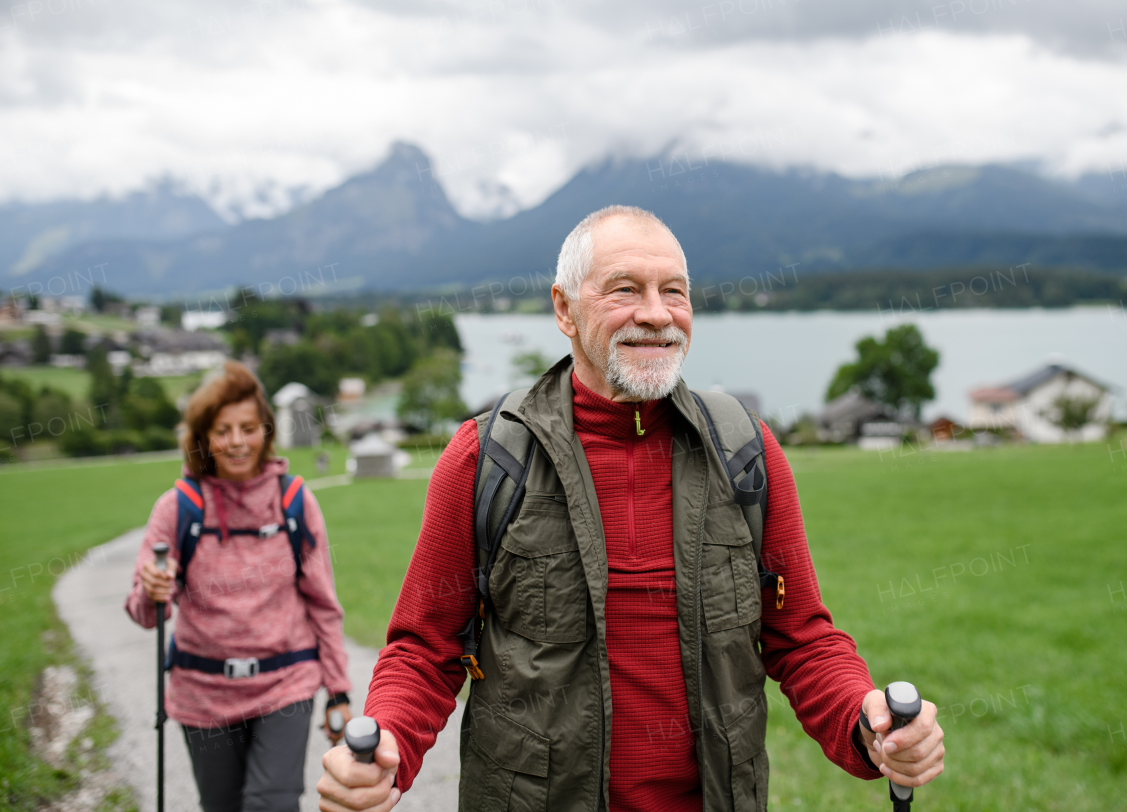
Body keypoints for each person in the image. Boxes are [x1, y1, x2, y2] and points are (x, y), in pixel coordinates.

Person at [318, 206, 945, 812]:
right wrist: (389, 744)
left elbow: (801, 637)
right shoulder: (487, 458)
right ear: (563, 307)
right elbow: (425, 648)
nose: (655, 314)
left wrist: (868, 724)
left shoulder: (747, 451)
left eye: (673, 291)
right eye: (624, 290)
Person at [126, 360, 352, 812]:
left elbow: (323, 604)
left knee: (273, 804)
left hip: (285, 684)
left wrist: (339, 691)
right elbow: (145, 613)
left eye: (247, 428)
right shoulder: (177, 509)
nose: (235, 442)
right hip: (202, 692)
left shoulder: (294, 502)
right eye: (222, 430)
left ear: (266, 431)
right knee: (222, 805)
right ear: (203, 436)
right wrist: (151, 590)